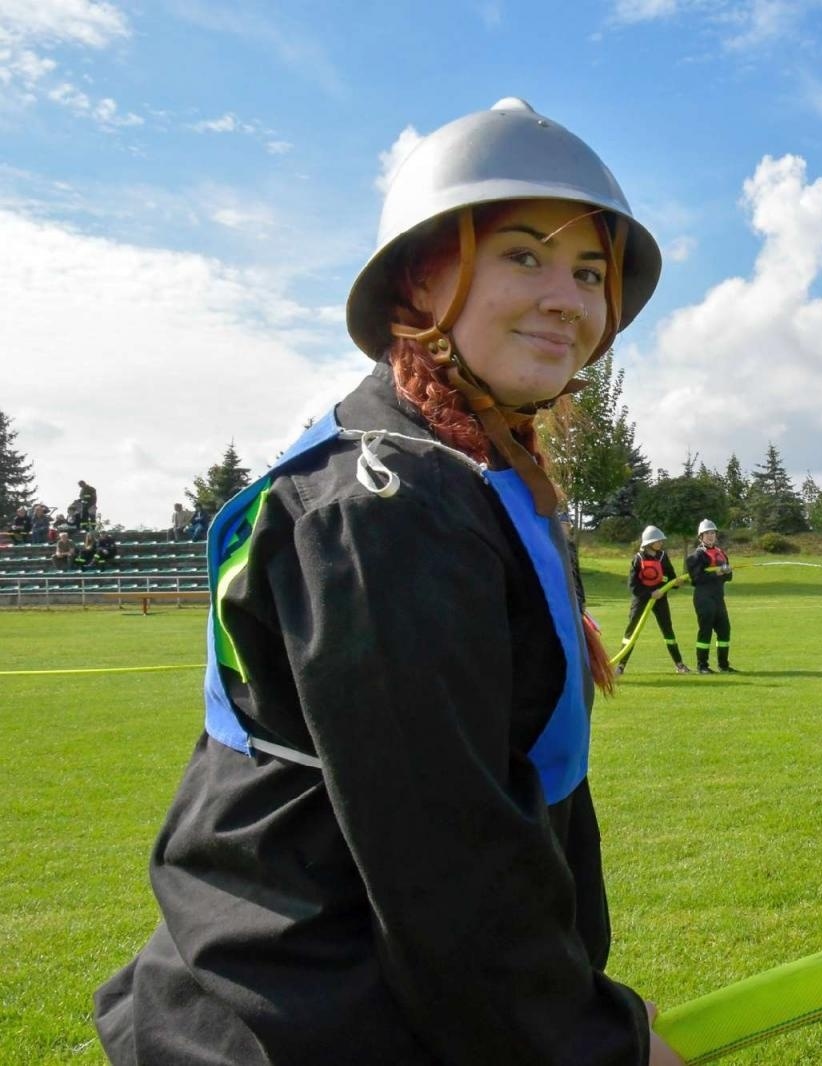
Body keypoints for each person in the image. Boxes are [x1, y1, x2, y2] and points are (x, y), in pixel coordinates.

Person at [94, 97, 683, 1066]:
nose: (567, 299)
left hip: (382, 1010)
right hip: (294, 1021)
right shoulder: (386, 502)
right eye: (524, 256)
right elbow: (442, 850)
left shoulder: (473, 475)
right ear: (420, 274)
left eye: (589, 273)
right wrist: (590, 1039)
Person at [616, 525, 690, 675]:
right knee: (632, 631)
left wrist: (674, 584)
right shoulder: (637, 559)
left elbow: (670, 577)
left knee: (667, 630)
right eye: (658, 540)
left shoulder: (663, 557)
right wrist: (650, 594)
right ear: (649, 542)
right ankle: (620, 666)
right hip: (641, 600)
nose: (661, 543)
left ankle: (679, 664)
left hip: (661, 599)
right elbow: (633, 585)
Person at [684, 518, 735, 674]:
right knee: (705, 630)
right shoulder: (697, 556)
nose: (711, 536)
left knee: (724, 630)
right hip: (703, 598)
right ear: (701, 537)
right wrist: (718, 573)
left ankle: (724, 665)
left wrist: (726, 572)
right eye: (707, 533)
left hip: (718, 597)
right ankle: (702, 666)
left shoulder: (721, 553)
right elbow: (697, 579)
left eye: (713, 533)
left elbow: (729, 577)